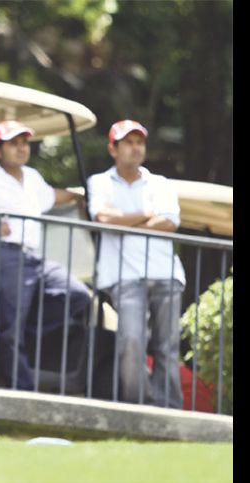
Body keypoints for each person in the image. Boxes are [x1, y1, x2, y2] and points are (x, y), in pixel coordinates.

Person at [0, 120, 91, 391]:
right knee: (10, 328)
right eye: (14, 143)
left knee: (76, 295)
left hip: (33, 258)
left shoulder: (32, 177)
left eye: (24, 143)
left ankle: (21, 335)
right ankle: (19, 388)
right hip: (3, 255)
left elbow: (52, 196)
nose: (22, 148)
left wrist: (78, 196)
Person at [87, 119, 185, 409]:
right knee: (131, 342)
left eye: (139, 142)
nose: (135, 148)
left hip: (166, 274)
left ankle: (170, 410)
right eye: (128, 142)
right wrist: (144, 213)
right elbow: (103, 218)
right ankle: (139, 408)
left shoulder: (160, 183)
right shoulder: (100, 182)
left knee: (168, 348)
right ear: (113, 149)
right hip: (125, 277)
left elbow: (169, 222)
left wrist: (124, 219)